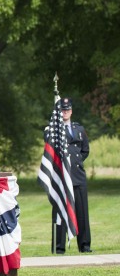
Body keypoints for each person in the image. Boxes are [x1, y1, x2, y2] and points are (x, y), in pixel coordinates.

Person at [54, 97, 92, 254]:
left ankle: (85, 245)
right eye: (63, 110)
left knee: (82, 212)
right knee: (61, 212)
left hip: (77, 175)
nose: (65, 112)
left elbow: (85, 150)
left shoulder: (79, 129)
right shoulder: (54, 130)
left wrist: (75, 163)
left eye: (68, 109)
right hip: (62, 175)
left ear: (71, 111)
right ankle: (60, 247)